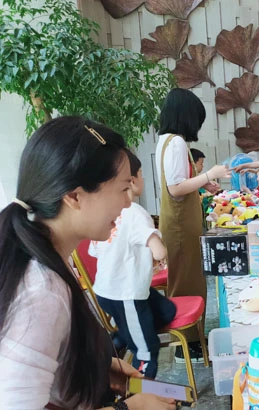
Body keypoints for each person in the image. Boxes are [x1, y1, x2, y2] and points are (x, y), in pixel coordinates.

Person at [0, 117, 175, 410]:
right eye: (122, 189)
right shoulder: (40, 293)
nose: (128, 203)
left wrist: (96, 368)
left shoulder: (46, 259)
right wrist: (131, 407)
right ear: (74, 196)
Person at [155, 88, 230, 361]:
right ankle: (186, 343)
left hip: (178, 221)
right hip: (180, 224)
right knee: (187, 281)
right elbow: (175, 188)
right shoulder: (176, 142)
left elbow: (179, 183)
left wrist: (202, 184)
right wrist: (209, 174)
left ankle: (192, 337)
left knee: (186, 278)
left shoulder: (165, 140)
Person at [90, 151, 176, 379]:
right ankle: (140, 391)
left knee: (167, 310)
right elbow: (159, 251)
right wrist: (159, 255)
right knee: (147, 350)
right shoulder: (136, 213)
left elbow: (95, 251)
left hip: (108, 290)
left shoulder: (106, 212)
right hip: (126, 294)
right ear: (133, 180)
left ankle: (121, 338)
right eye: (141, 174)